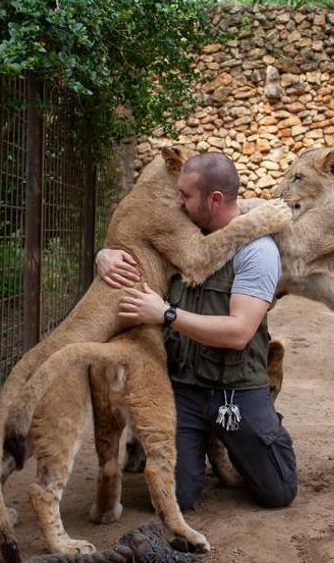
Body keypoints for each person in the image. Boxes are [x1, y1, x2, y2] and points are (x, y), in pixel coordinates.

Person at [96, 152, 297, 511]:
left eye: (186, 195)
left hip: (233, 389)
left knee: (277, 492)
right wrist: (105, 255)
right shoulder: (182, 236)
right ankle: (201, 440)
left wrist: (166, 314)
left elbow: (238, 332)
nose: (177, 201)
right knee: (176, 497)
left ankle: (259, 430)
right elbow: (135, 242)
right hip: (184, 386)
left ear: (214, 199)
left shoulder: (258, 251)